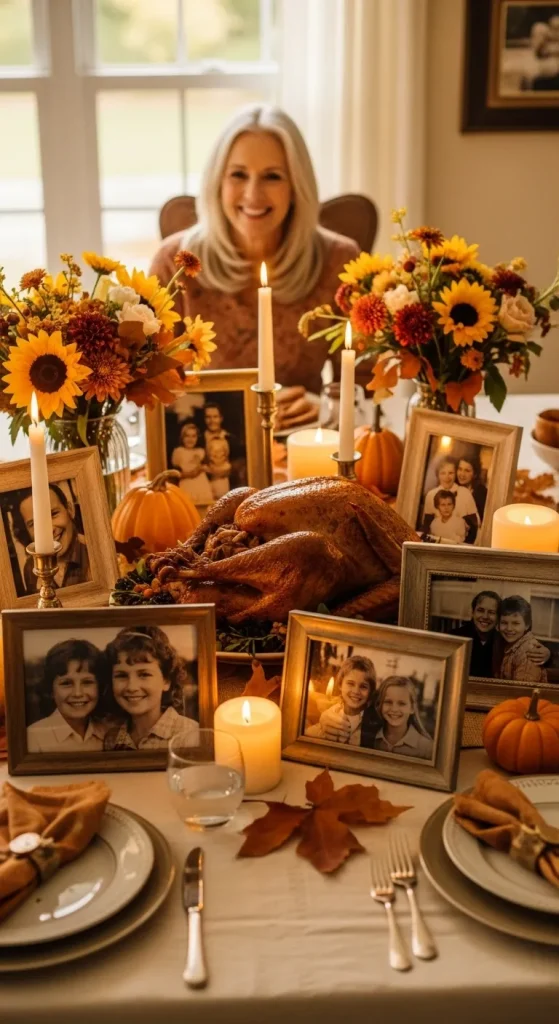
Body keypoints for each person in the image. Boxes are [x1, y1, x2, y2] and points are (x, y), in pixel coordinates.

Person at [149, 104, 360, 395]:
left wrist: (321, 408)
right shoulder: (174, 264)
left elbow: (361, 393)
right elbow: (156, 392)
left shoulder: (340, 261)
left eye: (272, 176)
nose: (253, 195)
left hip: (303, 435)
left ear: (296, 187)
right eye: (238, 174)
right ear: (217, 182)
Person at [103, 625, 198, 751]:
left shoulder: (190, 735)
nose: (132, 687)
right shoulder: (111, 738)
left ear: (166, 681)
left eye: (144, 674)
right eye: (121, 675)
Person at [27, 639, 106, 752]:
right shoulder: (33, 738)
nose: (77, 693)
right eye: (66, 683)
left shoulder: (109, 734)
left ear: (100, 687)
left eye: (87, 682)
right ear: (51, 690)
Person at [11, 484, 91, 596]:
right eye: (34, 524)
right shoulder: (31, 568)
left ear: (70, 510)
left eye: (53, 514)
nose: (48, 530)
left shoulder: (93, 552)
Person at [451, 590, 549, 678]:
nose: (485, 616)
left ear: (498, 617)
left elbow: (528, 650)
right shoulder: (455, 637)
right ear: (472, 613)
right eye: (480, 610)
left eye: (491, 612)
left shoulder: (503, 638)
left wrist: (548, 655)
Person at [306, 655, 379, 746]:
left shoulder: (374, 723)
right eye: (350, 684)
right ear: (340, 684)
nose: (356, 691)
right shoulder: (330, 715)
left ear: (370, 691)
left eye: (363, 686)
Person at [373, 676, 433, 759]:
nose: (394, 709)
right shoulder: (371, 738)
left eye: (401, 703)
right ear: (380, 705)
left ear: (412, 708)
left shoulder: (427, 748)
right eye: (388, 702)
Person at [497, 596, 548, 684]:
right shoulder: (511, 644)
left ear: (527, 625)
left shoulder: (529, 652)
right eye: (504, 623)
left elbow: (523, 692)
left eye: (515, 623)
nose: (509, 628)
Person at [171, 420, 213, 505]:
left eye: (193, 436)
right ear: (182, 437)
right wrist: (197, 470)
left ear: (197, 438)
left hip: (201, 484)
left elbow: (209, 468)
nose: (190, 439)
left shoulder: (200, 451)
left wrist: (206, 468)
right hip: (187, 484)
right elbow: (178, 474)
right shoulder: (179, 452)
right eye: (187, 436)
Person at [203, 403, 232, 499]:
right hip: (203, 483)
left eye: (215, 417)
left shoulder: (229, 438)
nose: (212, 421)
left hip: (223, 482)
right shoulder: (198, 439)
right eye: (208, 417)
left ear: (221, 418)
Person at [456, 454, 487, 522]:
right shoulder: (453, 487)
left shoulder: (481, 493)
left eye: (467, 471)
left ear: (475, 474)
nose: (462, 474)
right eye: (460, 469)